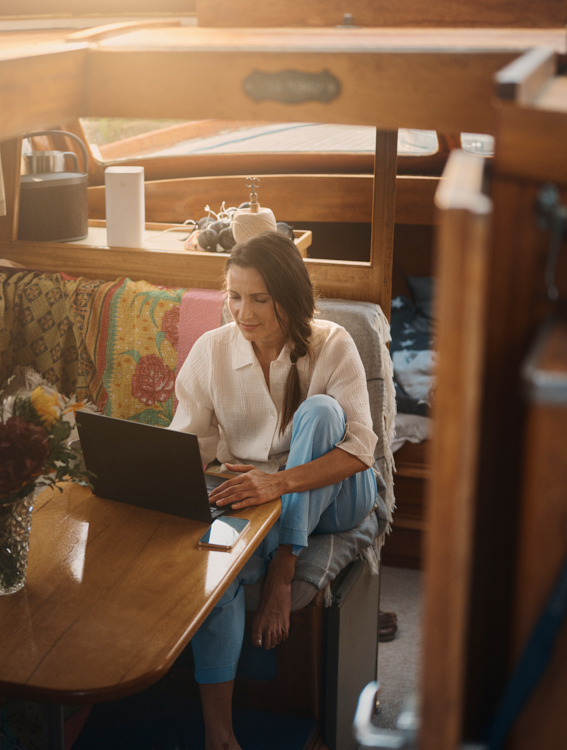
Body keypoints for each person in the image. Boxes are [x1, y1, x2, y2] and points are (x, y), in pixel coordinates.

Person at [169, 230, 379, 750]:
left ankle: (282, 566)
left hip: (340, 491)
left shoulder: (332, 343)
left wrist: (277, 483)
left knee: (321, 411)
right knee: (219, 564)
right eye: (235, 296)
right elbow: (188, 447)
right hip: (260, 499)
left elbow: (359, 451)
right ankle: (220, 734)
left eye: (259, 298)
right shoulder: (211, 351)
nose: (244, 312)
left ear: (290, 295)